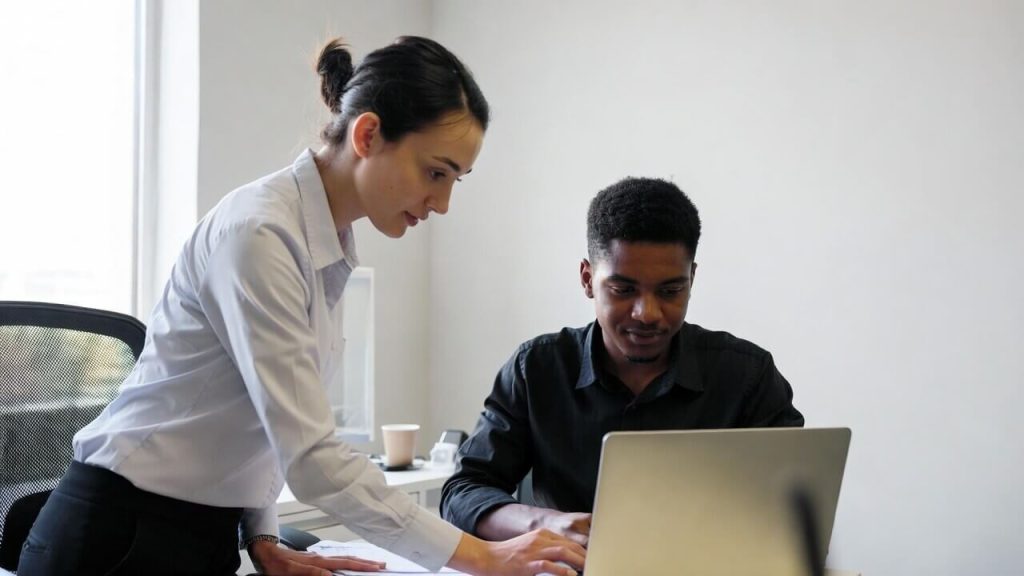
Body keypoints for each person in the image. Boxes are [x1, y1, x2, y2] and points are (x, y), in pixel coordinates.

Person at [18, 36, 584, 576]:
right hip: (118, 537)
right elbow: (313, 460)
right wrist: (484, 557)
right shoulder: (260, 234)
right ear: (367, 135)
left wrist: (260, 534)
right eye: (436, 172)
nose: (442, 202)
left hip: (198, 532)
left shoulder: (325, 244)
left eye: (456, 179)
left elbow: (261, 419)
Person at [440, 177, 805, 546]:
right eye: (623, 290)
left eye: (670, 290)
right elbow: (464, 491)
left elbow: (799, 511)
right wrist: (544, 524)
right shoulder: (536, 368)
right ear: (587, 279)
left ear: (691, 280)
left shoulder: (746, 375)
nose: (647, 313)